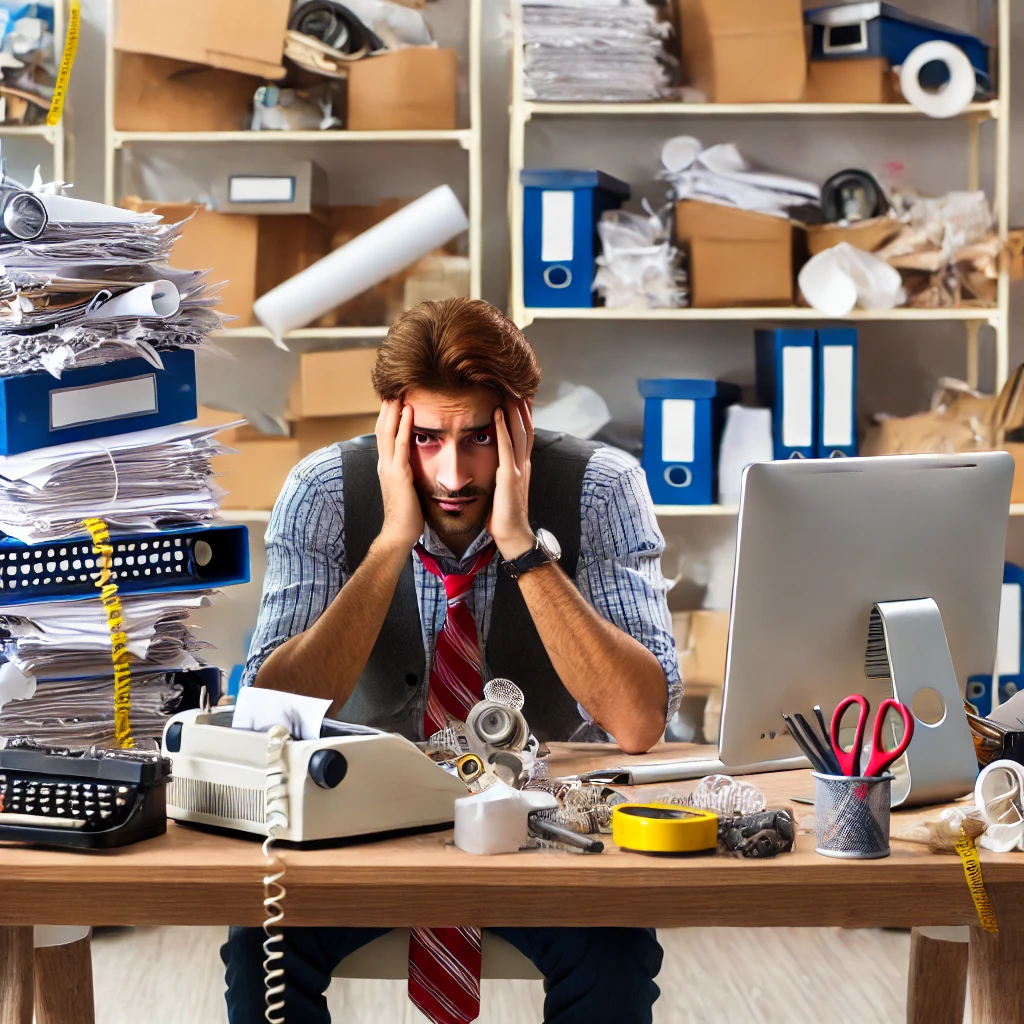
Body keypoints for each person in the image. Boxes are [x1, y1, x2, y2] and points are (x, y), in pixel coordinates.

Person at [222, 297, 681, 1024]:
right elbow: (269, 717)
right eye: (428, 438)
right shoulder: (322, 491)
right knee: (258, 951)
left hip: (547, 832)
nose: (453, 472)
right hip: (359, 828)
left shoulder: (603, 487)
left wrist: (523, 547)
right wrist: (389, 543)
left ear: (520, 422)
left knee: (615, 957)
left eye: (477, 439)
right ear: (391, 423)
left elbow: (635, 723)